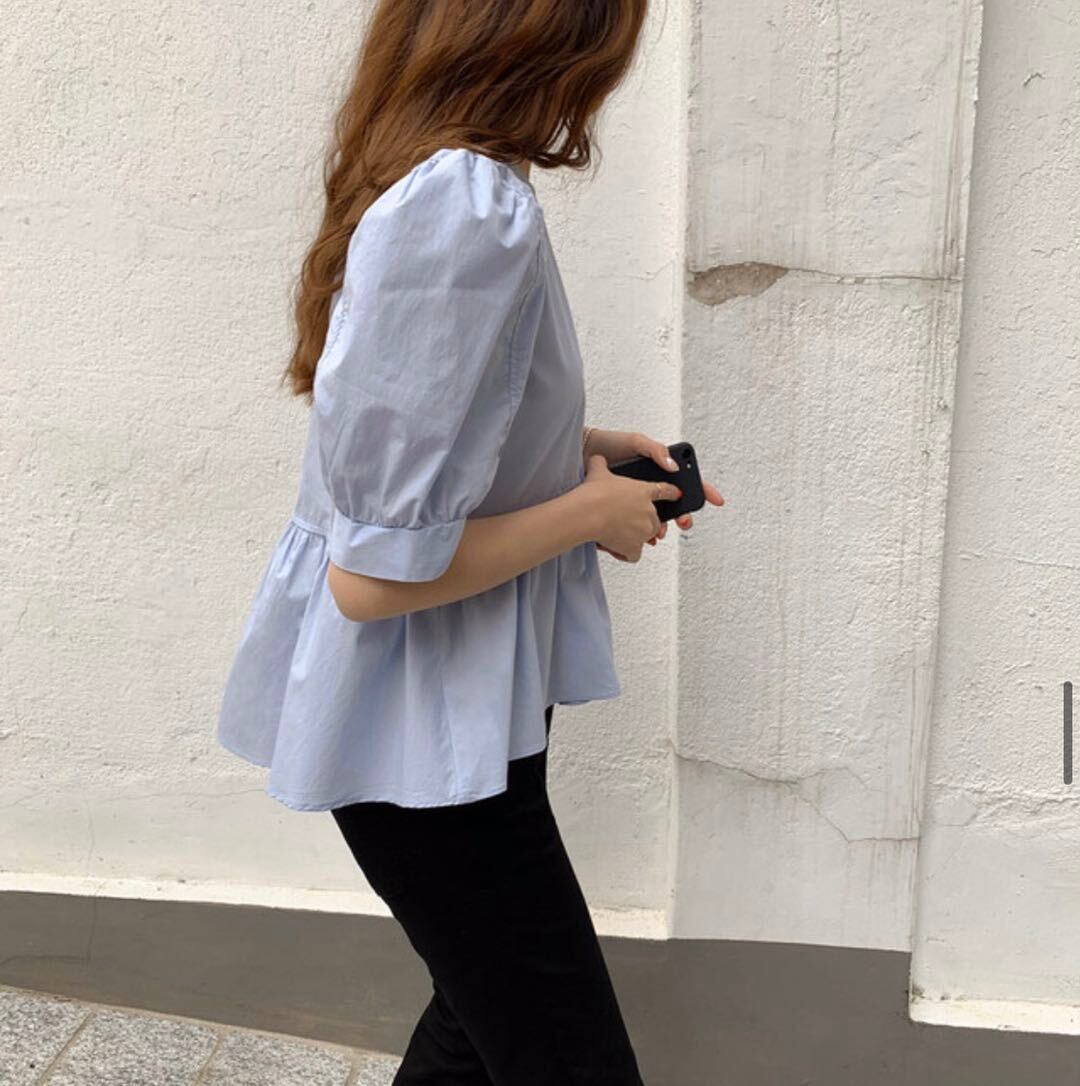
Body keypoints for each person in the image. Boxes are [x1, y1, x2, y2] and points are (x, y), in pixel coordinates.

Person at [216, 1, 724, 1082]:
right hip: (419, 728)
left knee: (477, 1016)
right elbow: (371, 577)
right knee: (560, 1052)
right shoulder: (464, 207)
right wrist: (588, 513)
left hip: (453, 706)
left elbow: (425, 446)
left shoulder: (436, 182)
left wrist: (578, 450)